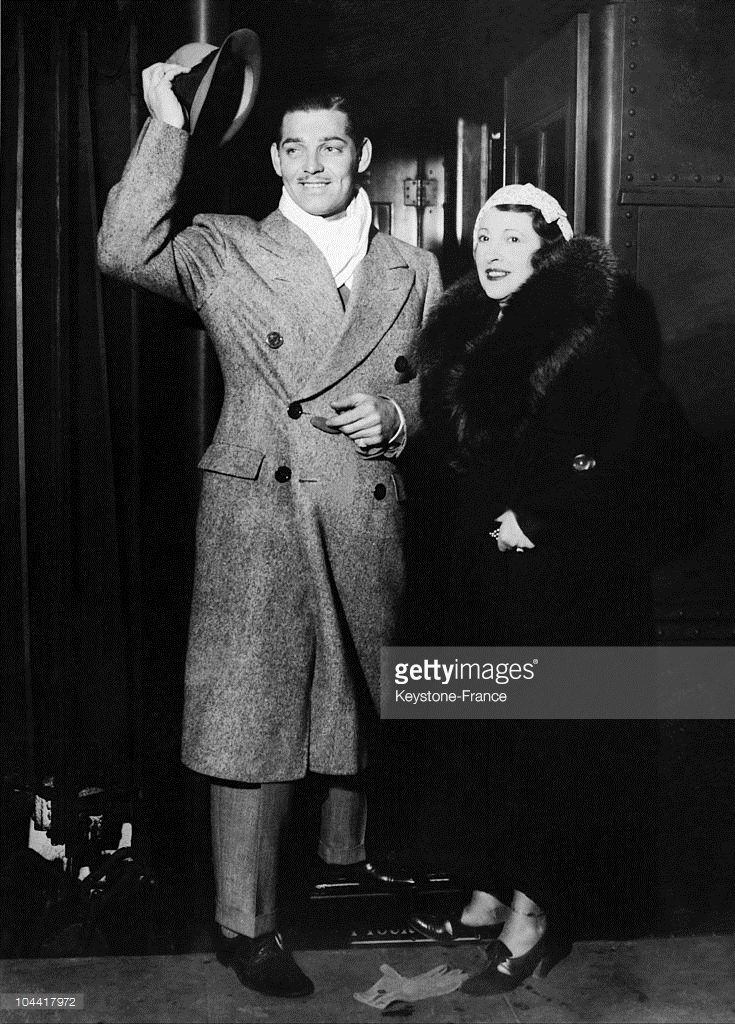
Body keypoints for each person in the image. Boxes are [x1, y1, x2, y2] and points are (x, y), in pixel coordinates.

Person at [97, 62, 441, 998]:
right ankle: (244, 925)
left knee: (352, 703)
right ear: (278, 160)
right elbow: (123, 248)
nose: (313, 163)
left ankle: (343, 866)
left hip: (363, 504)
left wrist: (398, 416)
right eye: (295, 148)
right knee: (252, 718)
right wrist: (165, 122)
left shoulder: (415, 264)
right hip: (260, 507)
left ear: (362, 156)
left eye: (332, 146)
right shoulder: (227, 244)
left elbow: (434, 385)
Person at [407, 183, 699, 995]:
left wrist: (538, 518)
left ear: (550, 250)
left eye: (513, 239)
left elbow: (637, 457)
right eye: (483, 237)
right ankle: (488, 884)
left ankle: (532, 917)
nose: (494, 253)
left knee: (543, 746)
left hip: (554, 578)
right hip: (484, 573)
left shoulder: (590, 338)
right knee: (482, 730)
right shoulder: (476, 328)